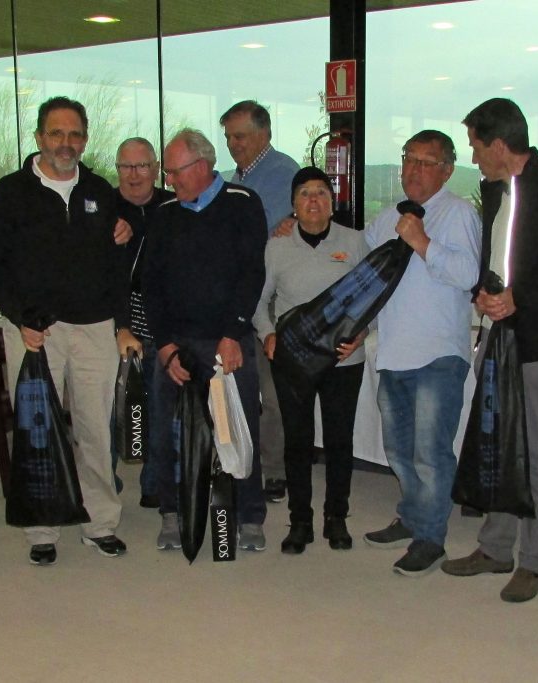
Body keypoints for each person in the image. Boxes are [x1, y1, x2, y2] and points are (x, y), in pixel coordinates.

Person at [441, 98, 538, 602]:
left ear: (500, 144)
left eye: (476, 147)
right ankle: (495, 547)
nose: (473, 157)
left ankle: (534, 560)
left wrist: (518, 299)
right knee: (495, 441)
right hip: (497, 332)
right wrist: (484, 294)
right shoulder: (495, 190)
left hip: (537, 340)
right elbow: (498, 261)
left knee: (533, 449)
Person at [0, 96, 136, 566]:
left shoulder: (100, 191)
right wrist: (19, 318)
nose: (65, 143)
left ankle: (100, 523)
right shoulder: (11, 191)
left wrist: (122, 324)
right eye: (56, 133)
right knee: (37, 431)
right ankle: (42, 528)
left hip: (94, 329)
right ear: (39, 137)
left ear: (84, 140)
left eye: (74, 134)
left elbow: (116, 268)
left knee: (96, 429)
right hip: (35, 332)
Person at [362, 130, 482, 576]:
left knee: (430, 453)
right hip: (393, 352)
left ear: (447, 171)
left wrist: (421, 241)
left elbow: (468, 275)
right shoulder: (388, 216)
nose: (413, 169)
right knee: (399, 450)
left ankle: (431, 537)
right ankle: (412, 518)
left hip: (438, 355)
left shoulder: (458, 213)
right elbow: (362, 263)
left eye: (425, 162)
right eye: (408, 159)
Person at [143, 128, 268, 552]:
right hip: (176, 344)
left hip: (227, 343)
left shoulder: (242, 203)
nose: (169, 180)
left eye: (174, 171)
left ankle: (249, 515)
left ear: (202, 165)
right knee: (167, 433)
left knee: (237, 429)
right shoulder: (164, 214)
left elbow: (252, 274)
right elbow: (151, 286)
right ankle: (172, 512)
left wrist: (233, 333)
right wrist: (163, 345)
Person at [253, 167, 368, 555]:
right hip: (294, 360)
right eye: (305, 193)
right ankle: (299, 521)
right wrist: (268, 334)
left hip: (343, 359)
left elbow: (374, 296)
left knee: (339, 441)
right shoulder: (276, 247)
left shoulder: (354, 241)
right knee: (297, 441)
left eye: (321, 192)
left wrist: (362, 334)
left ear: (332, 203)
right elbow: (257, 301)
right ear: (293, 204)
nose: (313, 200)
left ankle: (337, 519)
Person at [221, 100, 300, 505]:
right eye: (229, 137)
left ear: (264, 134)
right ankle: (240, 464)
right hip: (239, 296)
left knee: (271, 393)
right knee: (236, 387)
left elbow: (263, 238)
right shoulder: (235, 177)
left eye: (240, 136)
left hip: (269, 300)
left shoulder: (284, 174)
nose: (233, 144)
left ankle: (275, 470)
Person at [111, 137, 176, 509]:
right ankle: (104, 484)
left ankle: (154, 484)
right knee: (110, 410)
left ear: (156, 169)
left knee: (160, 409)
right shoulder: (103, 207)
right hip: (114, 320)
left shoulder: (173, 205)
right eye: (125, 166)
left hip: (161, 321)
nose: (133, 174)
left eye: (141, 166)